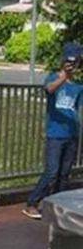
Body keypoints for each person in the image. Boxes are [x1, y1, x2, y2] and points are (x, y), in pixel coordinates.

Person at [23, 42, 83, 220]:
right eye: (70, 61)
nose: (73, 65)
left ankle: (58, 207)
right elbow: (49, 89)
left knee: (64, 174)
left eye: (76, 62)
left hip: (72, 134)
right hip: (56, 134)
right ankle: (32, 203)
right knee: (52, 172)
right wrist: (64, 76)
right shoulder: (53, 77)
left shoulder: (78, 85)